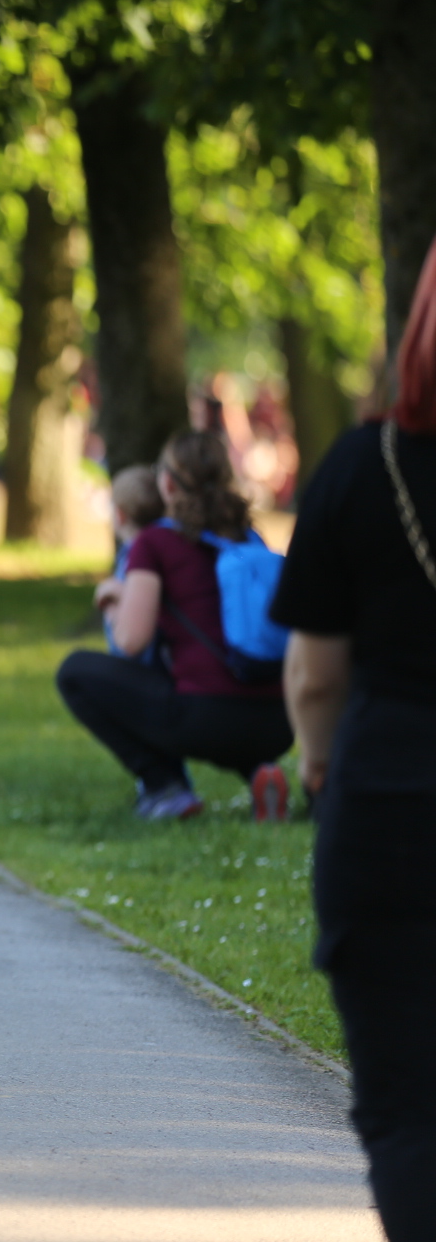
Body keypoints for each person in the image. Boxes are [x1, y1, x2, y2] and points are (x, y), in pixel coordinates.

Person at [272, 239, 436, 1240]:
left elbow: (314, 672)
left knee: (411, 1105)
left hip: (393, 797)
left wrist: (318, 756)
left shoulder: (364, 467)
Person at [56, 430, 293, 820]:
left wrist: (114, 599)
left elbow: (131, 641)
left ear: (167, 483)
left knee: (75, 672)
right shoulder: (249, 538)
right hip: (277, 721)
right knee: (220, 688)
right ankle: (260, 771)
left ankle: (164, 786)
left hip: (206, 717)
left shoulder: (155, 543)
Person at [104, 463, 165, 657]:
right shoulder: (167, 547)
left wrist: (109, 601)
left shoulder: (134, 555)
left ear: (120, 515)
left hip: (138, 659)